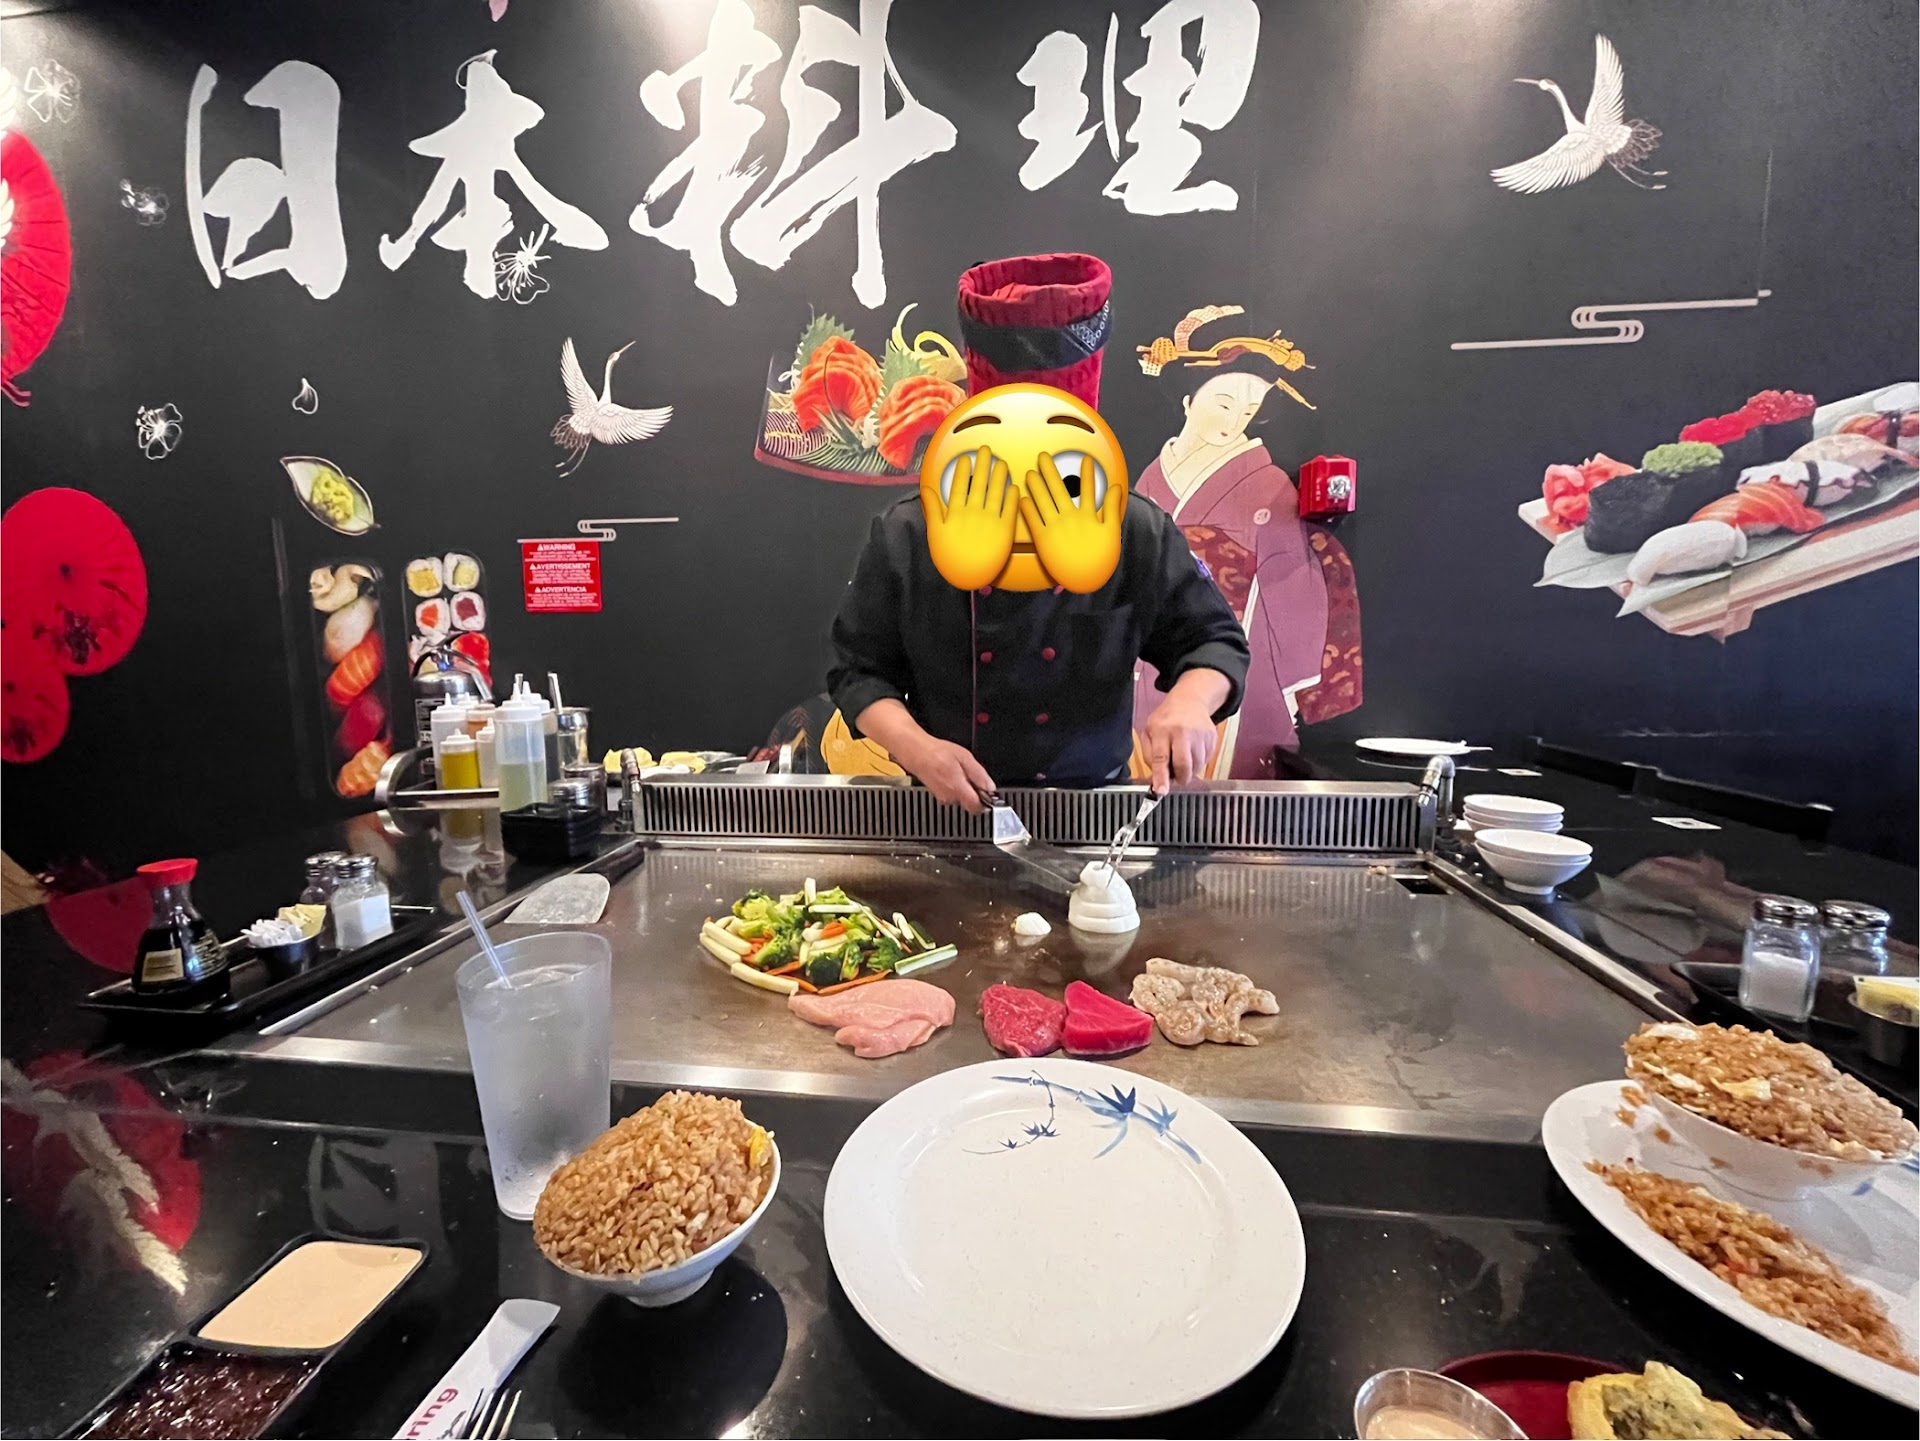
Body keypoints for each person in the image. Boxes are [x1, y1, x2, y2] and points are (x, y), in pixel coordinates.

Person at [826, 255, 1250, 813]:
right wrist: (917, 748)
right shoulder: (908, 533)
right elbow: (859, 671)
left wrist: (1191, 703)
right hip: (948, 804)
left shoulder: (1134, 528)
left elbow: (1214, 642)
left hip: (1092, 810)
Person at [1129, 351, 1363, 778]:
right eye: (1223, 403)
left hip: (1230, 642)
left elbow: (1291, 586)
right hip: (1154, 648)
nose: (1232, 420)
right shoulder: (1149, 480)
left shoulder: (1268, 485)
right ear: (1188, 400)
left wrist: (1291, 679)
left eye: (1249, 410)